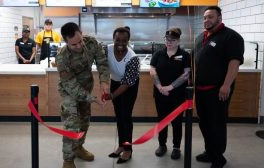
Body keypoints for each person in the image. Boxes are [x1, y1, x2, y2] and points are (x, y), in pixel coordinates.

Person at [194, 6, 244, 168]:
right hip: (200, 90)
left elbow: (234, 62)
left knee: (217, 124)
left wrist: (226, 85)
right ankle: (210, 151)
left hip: (218, 90)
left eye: (210, 17)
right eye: (204, 17)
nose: (206, 20)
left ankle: (218, 157)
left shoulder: (231, 37)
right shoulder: (201, 36)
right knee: (204, 123)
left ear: (219, 18)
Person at [55, 22, 110, 168]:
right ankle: (68, 160)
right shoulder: (62, 57)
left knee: (84, 122)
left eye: (80, 41)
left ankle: (79, 148)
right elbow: (71, 86)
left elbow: (102, 62)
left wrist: (104, 81)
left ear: (81, 32)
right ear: (66, 42)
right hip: (70, 93)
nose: (79, 46)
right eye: (74, 44)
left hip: (86, 87)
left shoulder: (91, 42)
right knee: (72, 126)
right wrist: (93, 99)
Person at [150, 27, 191, 160]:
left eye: (172, 40)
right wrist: (160, 87)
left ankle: (176, 147)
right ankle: (162, 145)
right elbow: (152, 70)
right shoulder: (158, 54)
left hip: (177, 95)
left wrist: (170, 87)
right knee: (162, 121)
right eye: (167, 39)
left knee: (177, 122)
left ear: (178, 41)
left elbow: (186, 75)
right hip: (160, 94)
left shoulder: (184, 55)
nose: (169, 42)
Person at [104, 27, 140, 164]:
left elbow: (126, 83)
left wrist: (112, 95)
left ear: (128, 41)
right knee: (119, 116)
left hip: (129, 87)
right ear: (113, 38)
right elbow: (103, 67)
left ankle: (128, 149)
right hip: (114, 82)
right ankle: (121, 145)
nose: (120, 43)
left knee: (126, 116)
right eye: (118, 39)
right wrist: (106, 87)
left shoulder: (133, 58)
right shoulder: (106, 49)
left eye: (124, 41)